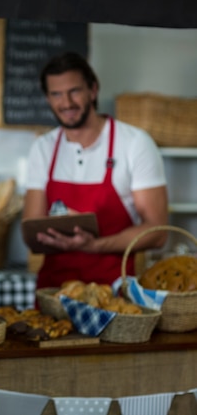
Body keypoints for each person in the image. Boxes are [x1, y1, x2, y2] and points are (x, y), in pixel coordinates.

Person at [23, 52, 168, 289]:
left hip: (115, 295)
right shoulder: (43, 147)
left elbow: (157, 232)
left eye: (74, 91)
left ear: (93, 90)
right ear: (48, 99)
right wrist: (62, 229)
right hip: (54, 293)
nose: (66, 103)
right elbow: (30, 233)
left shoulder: (134, 142)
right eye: (56, 94)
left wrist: (95, 245)